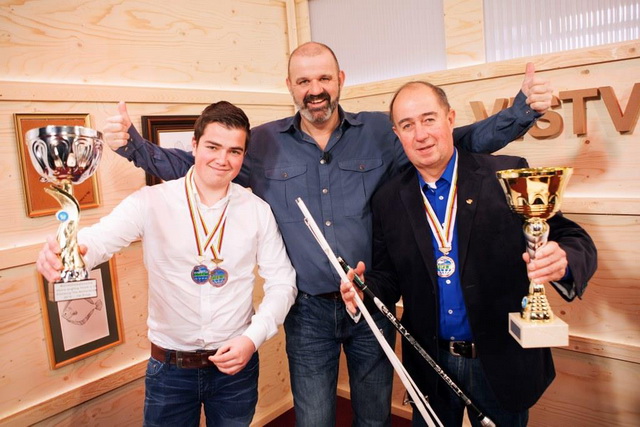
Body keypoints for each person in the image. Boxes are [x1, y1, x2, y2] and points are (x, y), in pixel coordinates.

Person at [102, 42, 552, 426]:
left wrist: (520, 113)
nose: (314, 90)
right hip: (307, 312)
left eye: (322, 79)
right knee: (314, 417)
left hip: (370, 305)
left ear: (339, 79)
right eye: (303, 81)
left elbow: (459, 139)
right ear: (290, 87)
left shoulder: (382, 131)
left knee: (374, 415)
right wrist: (132, 146)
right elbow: (199, 164)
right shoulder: (261, 143)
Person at [340, 81, 597, 426]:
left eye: (429, 119)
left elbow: (572, 237)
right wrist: (364, 286)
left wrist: (563, 257)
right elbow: (388, 277)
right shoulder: (388, 199)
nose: (421, 135)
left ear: (450, 118)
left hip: (500, 361)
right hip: (430, 364)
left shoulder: (505, 175)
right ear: (397, 134)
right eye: (407, 125)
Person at [36, 101, 297, 426]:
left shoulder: (258, 211)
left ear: (243, 155)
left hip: (236, 368)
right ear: (194, 145)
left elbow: (283, 283)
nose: (222, 160)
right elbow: (101, 240)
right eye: (213, 147)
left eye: (234, 151)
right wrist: (69, 252)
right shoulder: (151, 202)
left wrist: (252, 338)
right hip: (170, 371)